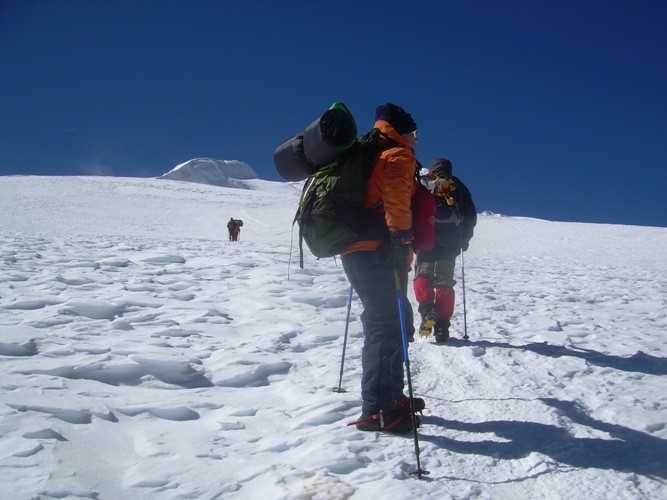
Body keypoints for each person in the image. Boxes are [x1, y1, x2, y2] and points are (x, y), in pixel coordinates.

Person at [342, 103, 424, 433]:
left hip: (361, 250)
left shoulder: (371, 151)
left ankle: (391, 396)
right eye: (414, 134)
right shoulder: (396, 154)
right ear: (403, 132)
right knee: (386, 325)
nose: (416, 140)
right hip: (380, 250)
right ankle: (377, 409)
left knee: (395, 321)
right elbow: (394, 197)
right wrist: (402, 237)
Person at [414, 157, 477, 342]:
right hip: (450, 241)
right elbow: (470, 215)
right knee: (444, 280)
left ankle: (427, 309)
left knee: (423, 274)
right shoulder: (458, 186)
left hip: (427, 238)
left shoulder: (426, 182)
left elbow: (413, 208)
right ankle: (442, 327)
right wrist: (464, 240)